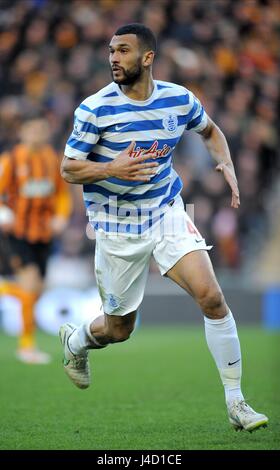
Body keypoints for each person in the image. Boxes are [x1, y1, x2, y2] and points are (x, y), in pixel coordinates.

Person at [59, 23, 268, 432]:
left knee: (211, 297)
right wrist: (111, 168)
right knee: (119, 329)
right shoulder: (94, 108)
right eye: (111, 51)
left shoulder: (177, 99)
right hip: (117, 226)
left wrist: (223, 161)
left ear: (148, 57)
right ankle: (78, 340)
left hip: (165, 210)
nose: (113, 58)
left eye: (122, 51)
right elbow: (68, 168)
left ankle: (237, 402)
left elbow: (210, 130)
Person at [0, 117, 72, 364]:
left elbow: (62, 194)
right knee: (30, 285)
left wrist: (61, 217)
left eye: (42, 129)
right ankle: (26, 346)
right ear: (22, 131)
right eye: (32, 129)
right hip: (18, 233)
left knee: (36, 291)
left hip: (44, 234)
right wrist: (3, 212)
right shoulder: (11, 160)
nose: (37, 134)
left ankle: (4, 290)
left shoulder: (52, 160)